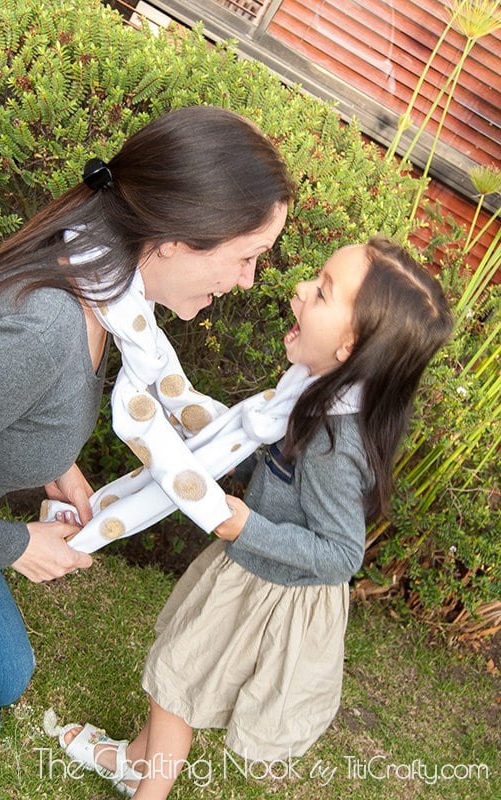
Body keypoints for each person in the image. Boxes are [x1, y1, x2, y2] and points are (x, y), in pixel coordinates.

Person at [54, 237, 453, 798]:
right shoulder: (313, 392)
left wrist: (245, 526)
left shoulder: (336, 442)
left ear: (350, 345)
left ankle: (149, 789)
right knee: (176, 673)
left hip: (270, 589)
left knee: (176, 686)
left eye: (321, 291)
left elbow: (342, 555)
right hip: (250, 566)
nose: (299, 289)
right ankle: (135, 760)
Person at [0, 105, 293, 769]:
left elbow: (21, 407)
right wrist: (14, 544)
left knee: (9, 674)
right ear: (175, 238)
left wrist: (63, 470)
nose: (248, 281)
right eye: (246, 257)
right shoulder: (43, 330)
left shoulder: (110, 296)